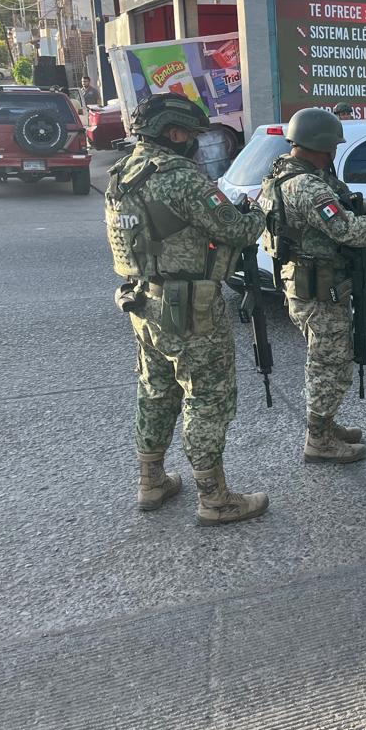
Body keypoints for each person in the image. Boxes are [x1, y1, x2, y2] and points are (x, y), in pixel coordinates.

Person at [104, 93, 268, 526]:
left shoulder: (122, 173)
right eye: (192, 135)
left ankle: (151, 481)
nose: (196, 143)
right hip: (190, 308)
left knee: (156, 389)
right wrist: (258, 210)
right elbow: (237, 229)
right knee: (207, 397)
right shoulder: (179, 176)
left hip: (144, 301)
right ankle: (215, 499)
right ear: (174, 133)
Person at [259, 108, 366, 464]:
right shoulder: (308, 186)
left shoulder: (282, 174)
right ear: (323, 146)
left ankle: (325, 424)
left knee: (326, 357)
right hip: (319, 288)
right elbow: (347, 230)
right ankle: (319, 439)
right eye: (333, 147)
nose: (334, 153)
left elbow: (340, 208)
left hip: (301, 282)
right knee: (329, 362)